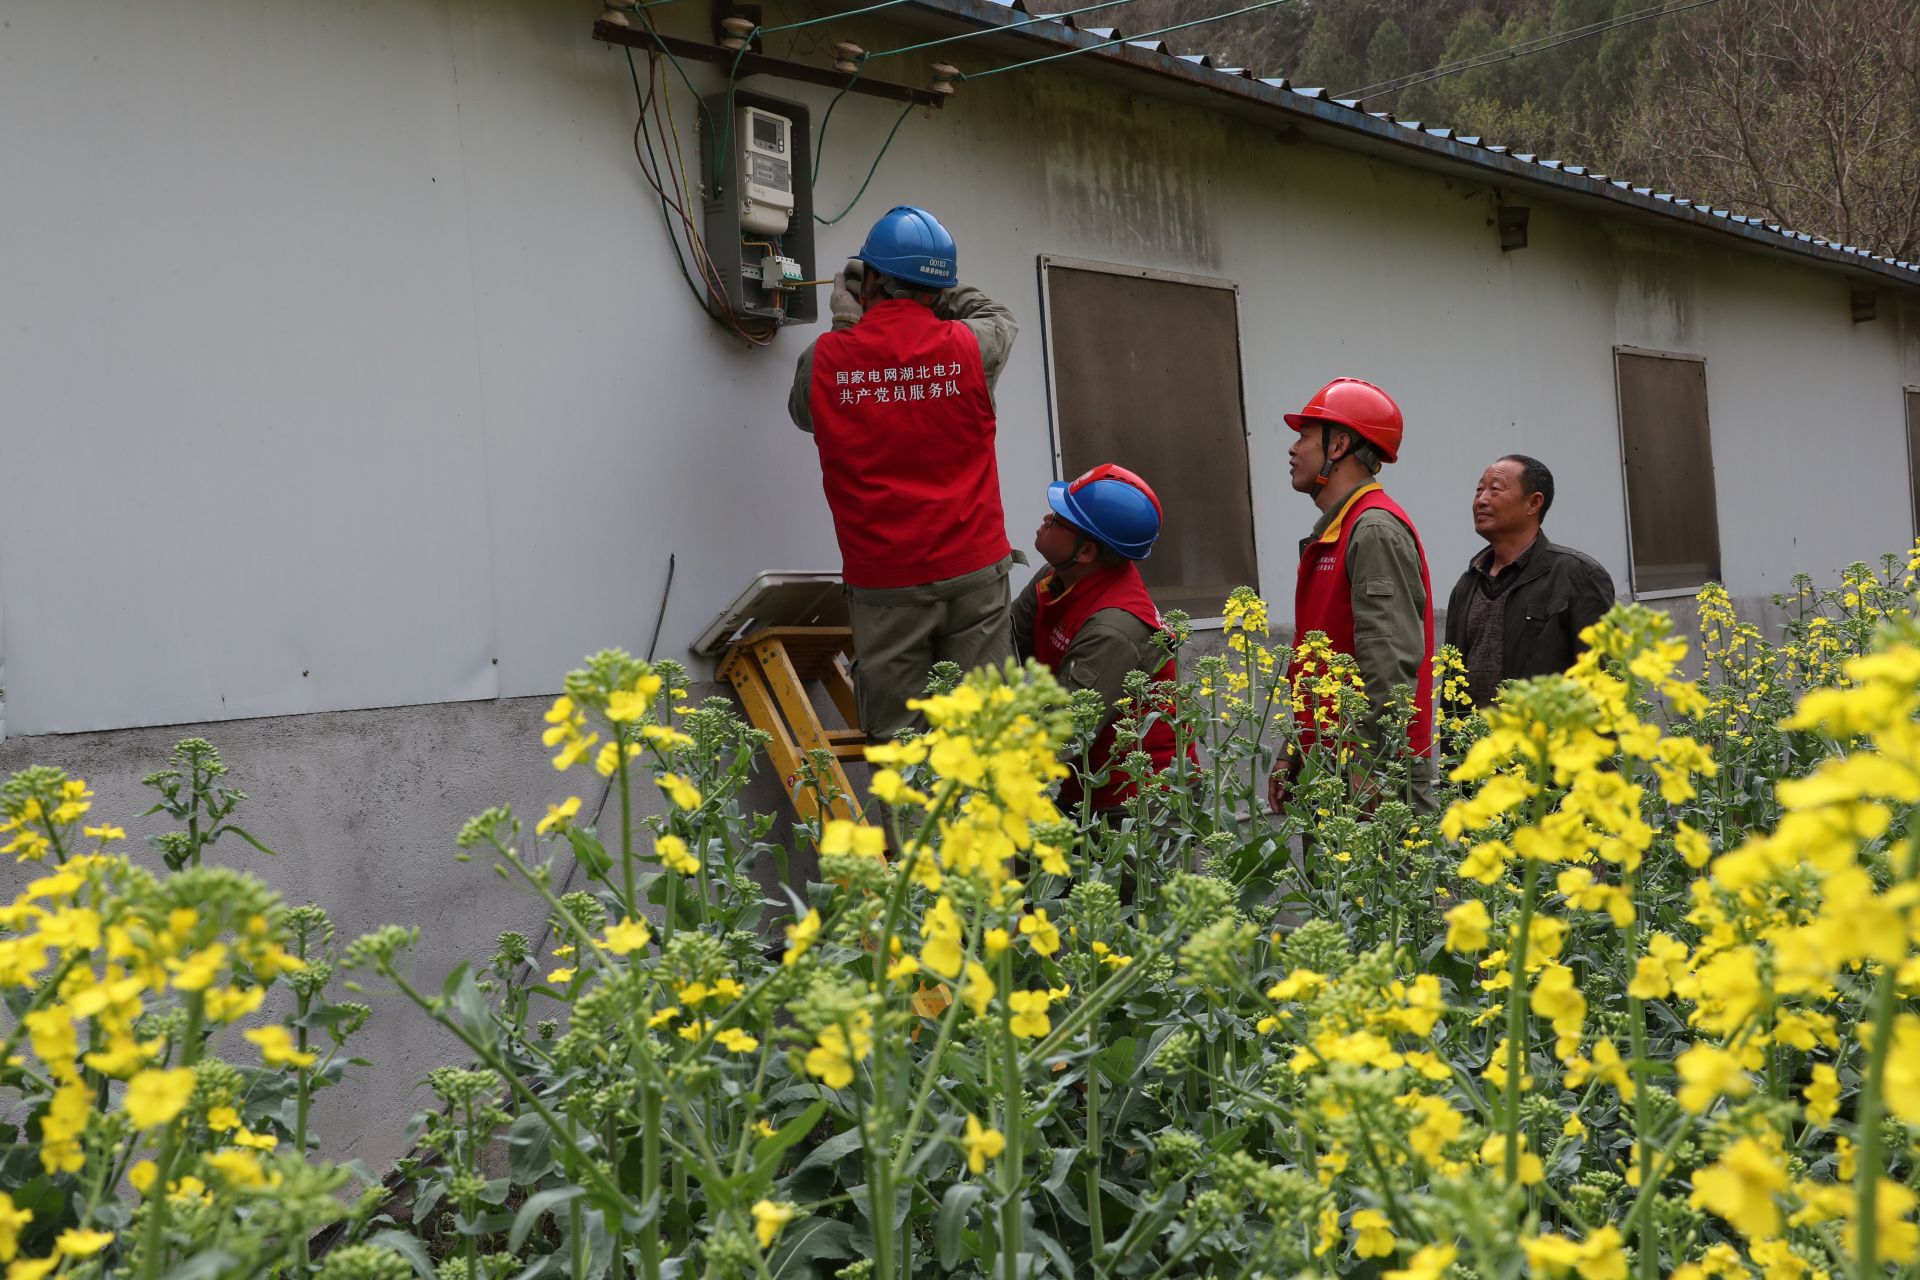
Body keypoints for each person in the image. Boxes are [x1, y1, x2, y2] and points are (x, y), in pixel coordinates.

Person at [787, 205, 1020, 740]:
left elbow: (804, 414)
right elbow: (999, 316)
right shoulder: (970, 346)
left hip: (885, 583)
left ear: (868, 281)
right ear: (936, 291)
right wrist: (943, 291)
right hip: (975, 572)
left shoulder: (825, 359)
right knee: (981, 735)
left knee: (901, 746)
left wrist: (848, 323)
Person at [1271, 377, 1435, 813]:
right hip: (1333, 758)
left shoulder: (1373, 529)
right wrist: (1298, 744)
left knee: (1378, 882)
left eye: (1304, 435)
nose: (1293, 448)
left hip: (1370, 768)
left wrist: (1368, 761)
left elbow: (1387, 659)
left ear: (1338, 444)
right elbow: (1330, 656)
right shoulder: (1340, 530)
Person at [1011, 464, 1184, 814]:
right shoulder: (1058, 576)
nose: (1047, 517)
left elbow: (1062, 731)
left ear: (1087, 552)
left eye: (1060, 519)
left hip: (1138, 804)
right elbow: (1005, 644)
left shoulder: (1114, 628)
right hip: (1085, 787)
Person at [1445, 455, 1617, 706]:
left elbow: (1604, 683)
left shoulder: (1578, 575)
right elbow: (1451, 684)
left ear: (1533, 503)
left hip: (1544, 740)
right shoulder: (1468, 583)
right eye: (1479, 490)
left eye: (1495, 489)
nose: (1481, 500)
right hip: (1475, 743)